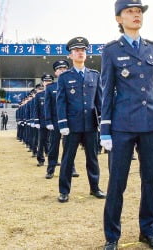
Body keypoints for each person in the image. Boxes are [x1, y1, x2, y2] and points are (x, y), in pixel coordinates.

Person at [100, 1, 153, 249]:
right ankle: (112, 236)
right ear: (119, 19)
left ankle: (148, 231)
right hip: (122, 125)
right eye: (130, 11)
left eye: (139, 11)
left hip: (151, 124)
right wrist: (105, 129)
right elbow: (106, 92)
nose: (136, 14)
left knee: (151, 181)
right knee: (117, 182)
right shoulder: (110, 50)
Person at [56, 37, 106, 203]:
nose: (80, 53)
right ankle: (64, 191)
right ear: (70, 55)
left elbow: (99, 101)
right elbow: (61, 102)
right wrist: (62, 123)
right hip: (71, 125)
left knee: (93, 158)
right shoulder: (64, 77)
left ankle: (95, 187)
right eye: (76, 51)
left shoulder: (94, 75)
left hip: (90, 124)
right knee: (68, 159)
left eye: (83, 50)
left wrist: (102, 122)